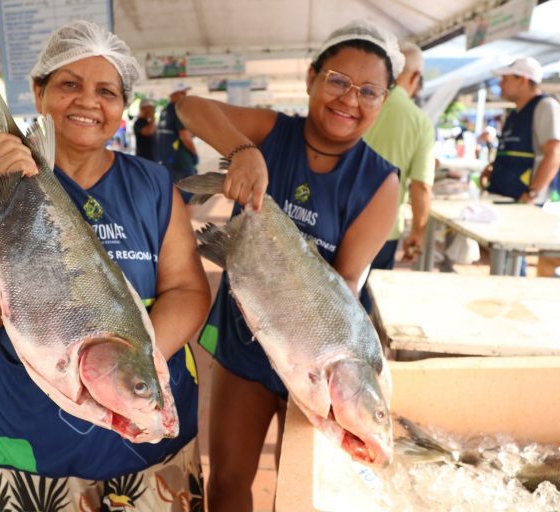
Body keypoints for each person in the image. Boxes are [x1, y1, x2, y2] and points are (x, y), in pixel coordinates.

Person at [0, 21, 210, 511]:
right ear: (39, 91)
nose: (88, 101)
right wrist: (1, 204)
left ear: (122, 106)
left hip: (144, 426)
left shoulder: (152, 184)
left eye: (106, 91)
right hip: (38, 439)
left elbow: (189, 291)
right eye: (69, 85)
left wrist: (136, 366)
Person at [176, 20, 401, 511]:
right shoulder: (274, 132)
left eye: (369, 91)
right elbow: (189, 107)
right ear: (312, 77)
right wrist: (243, 153)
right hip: (248, 339)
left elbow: (344, 283)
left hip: (323, 350)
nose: (349, 99)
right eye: (338, 80)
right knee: (230, 481)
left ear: (384, 101)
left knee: (299, 489)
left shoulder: (380, 182)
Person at [359, 41, 435, 313]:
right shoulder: (419, 122)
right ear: (415, 76)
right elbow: (421, 187)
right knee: (367, 304)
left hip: (339, 217)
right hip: (384, 228)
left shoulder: (360, 101)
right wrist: (418, 231)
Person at [480, 57, 560, 205]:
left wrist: (532, 193)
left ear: (523, 80)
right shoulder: (515, 113)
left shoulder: (546, 107)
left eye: (505, 79)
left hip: (526, 202)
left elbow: (554, 154)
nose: (500, 84)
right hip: (504, 197)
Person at [157, 83, 199, 200]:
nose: (185, 96)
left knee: (172, 194)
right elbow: (185, 137)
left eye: (185, 93)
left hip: (167, 159)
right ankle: (185, 218)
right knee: (189, 196)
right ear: (173, 95)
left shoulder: (165, 111)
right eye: (182, 93)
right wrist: (194, 153)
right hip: (181, 160)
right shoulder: (179, 110)